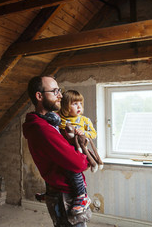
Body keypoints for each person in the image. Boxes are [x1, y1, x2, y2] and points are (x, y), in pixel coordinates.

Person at [22, 76, 91, 227]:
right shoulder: (42, 129)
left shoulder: (48, 122)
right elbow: (78, 164)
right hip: (65, 194)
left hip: (60, 189)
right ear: (39, 96)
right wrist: (84, 156)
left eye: (59, 90)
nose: (60, 95)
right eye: (54, 91)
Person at [58, 90, 97, 215]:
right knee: (59, 172)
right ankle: (54, 191)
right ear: (65, 106)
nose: (79, 106)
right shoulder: (60, 118)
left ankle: (82, 196)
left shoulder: (84, 120)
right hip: (63, 150)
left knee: (73, 171)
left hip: (78, 150)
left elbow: (93, 134)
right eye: (74, 104)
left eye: (80, 103)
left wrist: (83, 133)